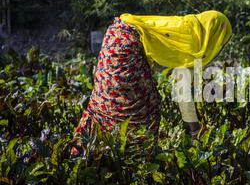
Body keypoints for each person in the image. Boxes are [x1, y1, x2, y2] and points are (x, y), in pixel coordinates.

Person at [70, 10, 233, 157]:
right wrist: (195, 131)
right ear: (214, 34)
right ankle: (132, 160)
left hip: (115, 34)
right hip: (125, 47)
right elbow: (183, 93)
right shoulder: (195, 44)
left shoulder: (187, 28)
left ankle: (88, 151)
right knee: (138, 108)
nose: (219, 47)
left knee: (106, 101)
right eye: (221, 41)